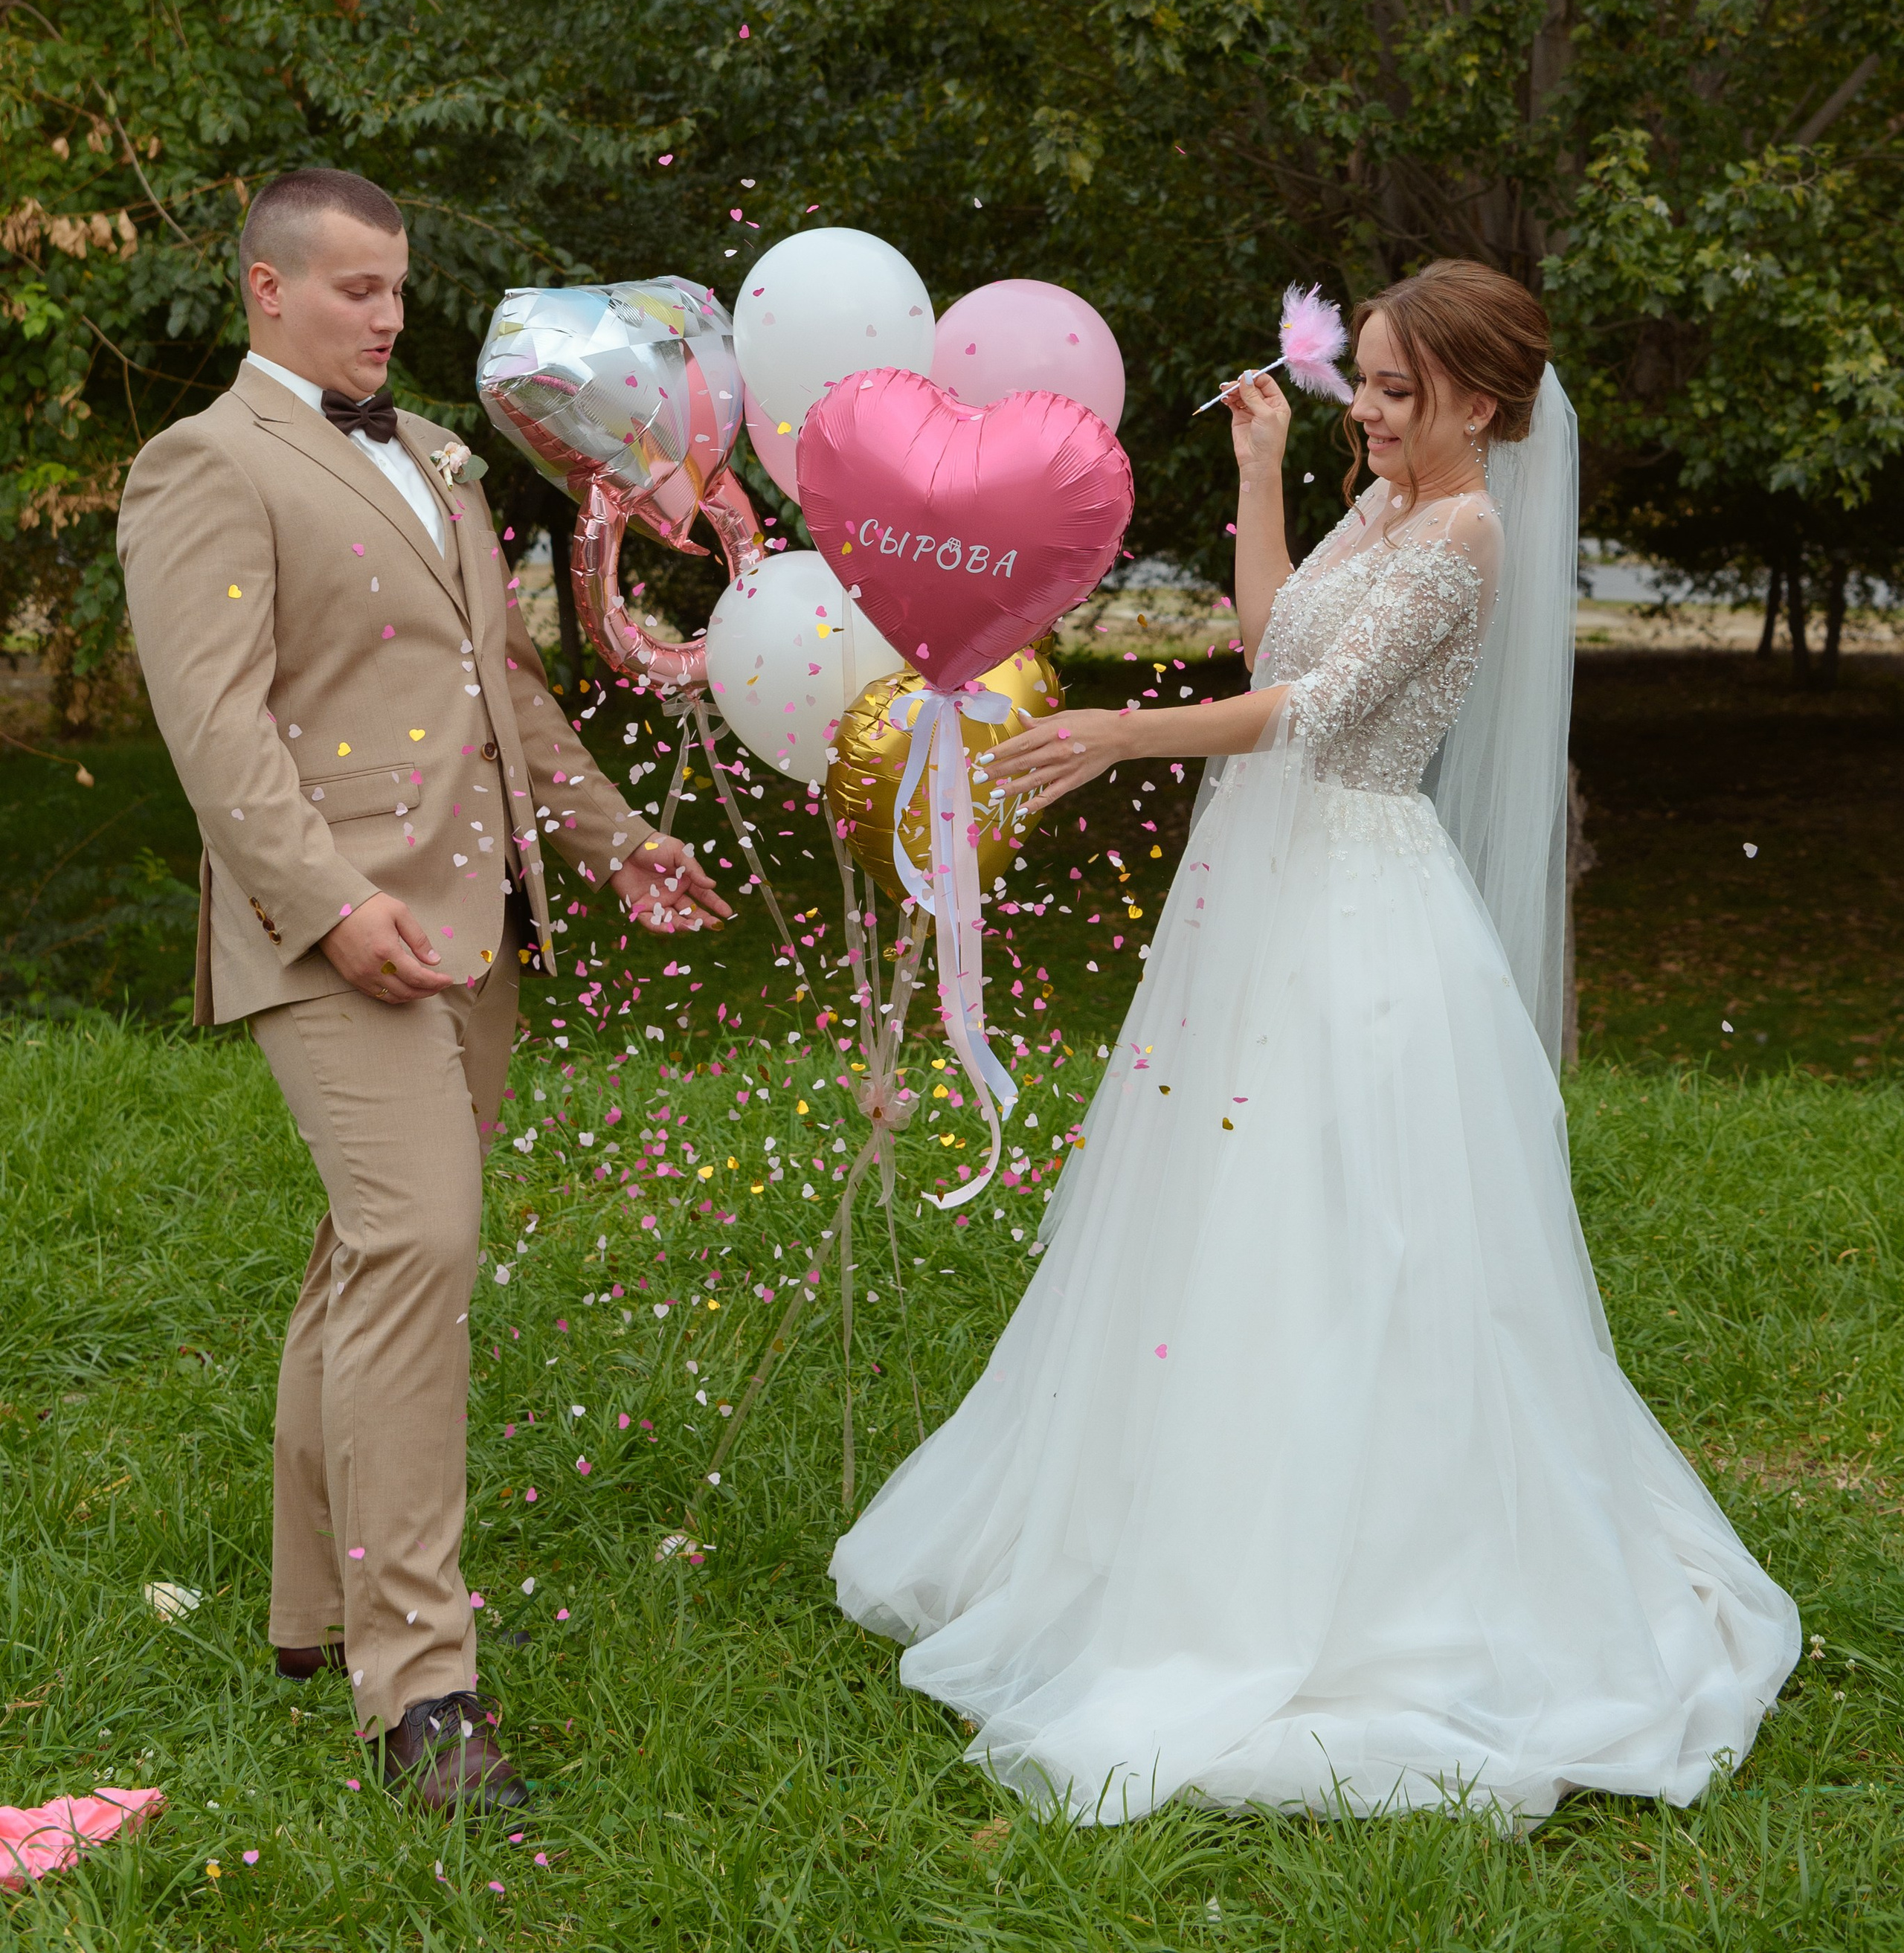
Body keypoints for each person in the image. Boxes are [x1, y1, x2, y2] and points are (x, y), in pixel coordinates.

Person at [831, 260, 1798, 1823]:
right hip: (1265, 893)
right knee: (1217, 1209)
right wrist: (1260, 469)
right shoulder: (1381, 501)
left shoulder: (1464, 530)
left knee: (1348, 1223)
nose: (1368, 404)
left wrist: (1119, 733)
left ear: (1480, 404)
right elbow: (1275, 631)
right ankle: (1172, 1513)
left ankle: (1356, 1567)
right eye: (1364, 376)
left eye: (1397, 388)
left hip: (1357, 904)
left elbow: (1319, 709)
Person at [118, 167, 730, 1811]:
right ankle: (424, 1693)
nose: (388, 318)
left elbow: (499, 685)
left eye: (398, 291)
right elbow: (216, 729)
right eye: (353, 291)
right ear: (264, 290)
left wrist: (608, 841)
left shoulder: (440, 458)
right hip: (336, 928)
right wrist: (327, 910)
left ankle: (308, 1610)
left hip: (477, 919)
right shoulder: (205, 465)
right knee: (419, 1244)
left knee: (367, 1251)